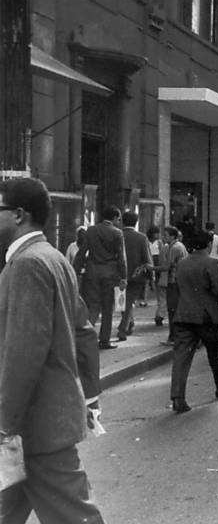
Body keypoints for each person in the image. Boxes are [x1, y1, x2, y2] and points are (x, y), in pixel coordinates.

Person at [0, 177, 105, 522]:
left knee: (74, 518)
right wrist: (89, 395)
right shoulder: (53, 257)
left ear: (18, 215)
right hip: (41, 423)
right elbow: (83, 330)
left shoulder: (28, 264)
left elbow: (23, 353)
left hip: (32, 430)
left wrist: (5, 425)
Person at [169, 231, 218, 414]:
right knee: (215, 353)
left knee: (181, 357)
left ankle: (177, 397)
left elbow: (177, 284)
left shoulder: (182, 263)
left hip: (184, 315)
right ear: (208, 244)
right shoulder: (211, 263)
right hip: (207, 315)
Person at [81, 205, 127, 350]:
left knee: (93, 306)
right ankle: (104, 340)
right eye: (118, 218)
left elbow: (82, 252)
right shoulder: (117, 233)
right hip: (110, 274)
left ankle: (81, 338)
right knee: (107, 308)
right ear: (113, 218)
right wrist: (123, 276)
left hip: (92, 272)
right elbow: (121, 257)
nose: (119, 221)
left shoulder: (91, 230)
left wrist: (75, 270)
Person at [119, 211, 152, 339]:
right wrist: (151, 275)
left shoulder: (118, 235)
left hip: (120, 274)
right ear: (136, 222)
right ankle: (125, 327)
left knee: (121, 302)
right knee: (129, 301)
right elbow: (147, 258)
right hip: (136, 275)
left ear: (123, 221)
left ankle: (127, 324)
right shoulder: (142, 237)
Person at [154, 226, 187, 345]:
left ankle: (173, 337)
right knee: (174, 310)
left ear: (172, 236)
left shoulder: (174, 248)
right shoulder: (178, 246)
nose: (163, 237)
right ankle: (175, 336)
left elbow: (167, 266)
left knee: (172, 310)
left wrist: (151, 268)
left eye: (166, 235)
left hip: (174, 282)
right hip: (176, 281)